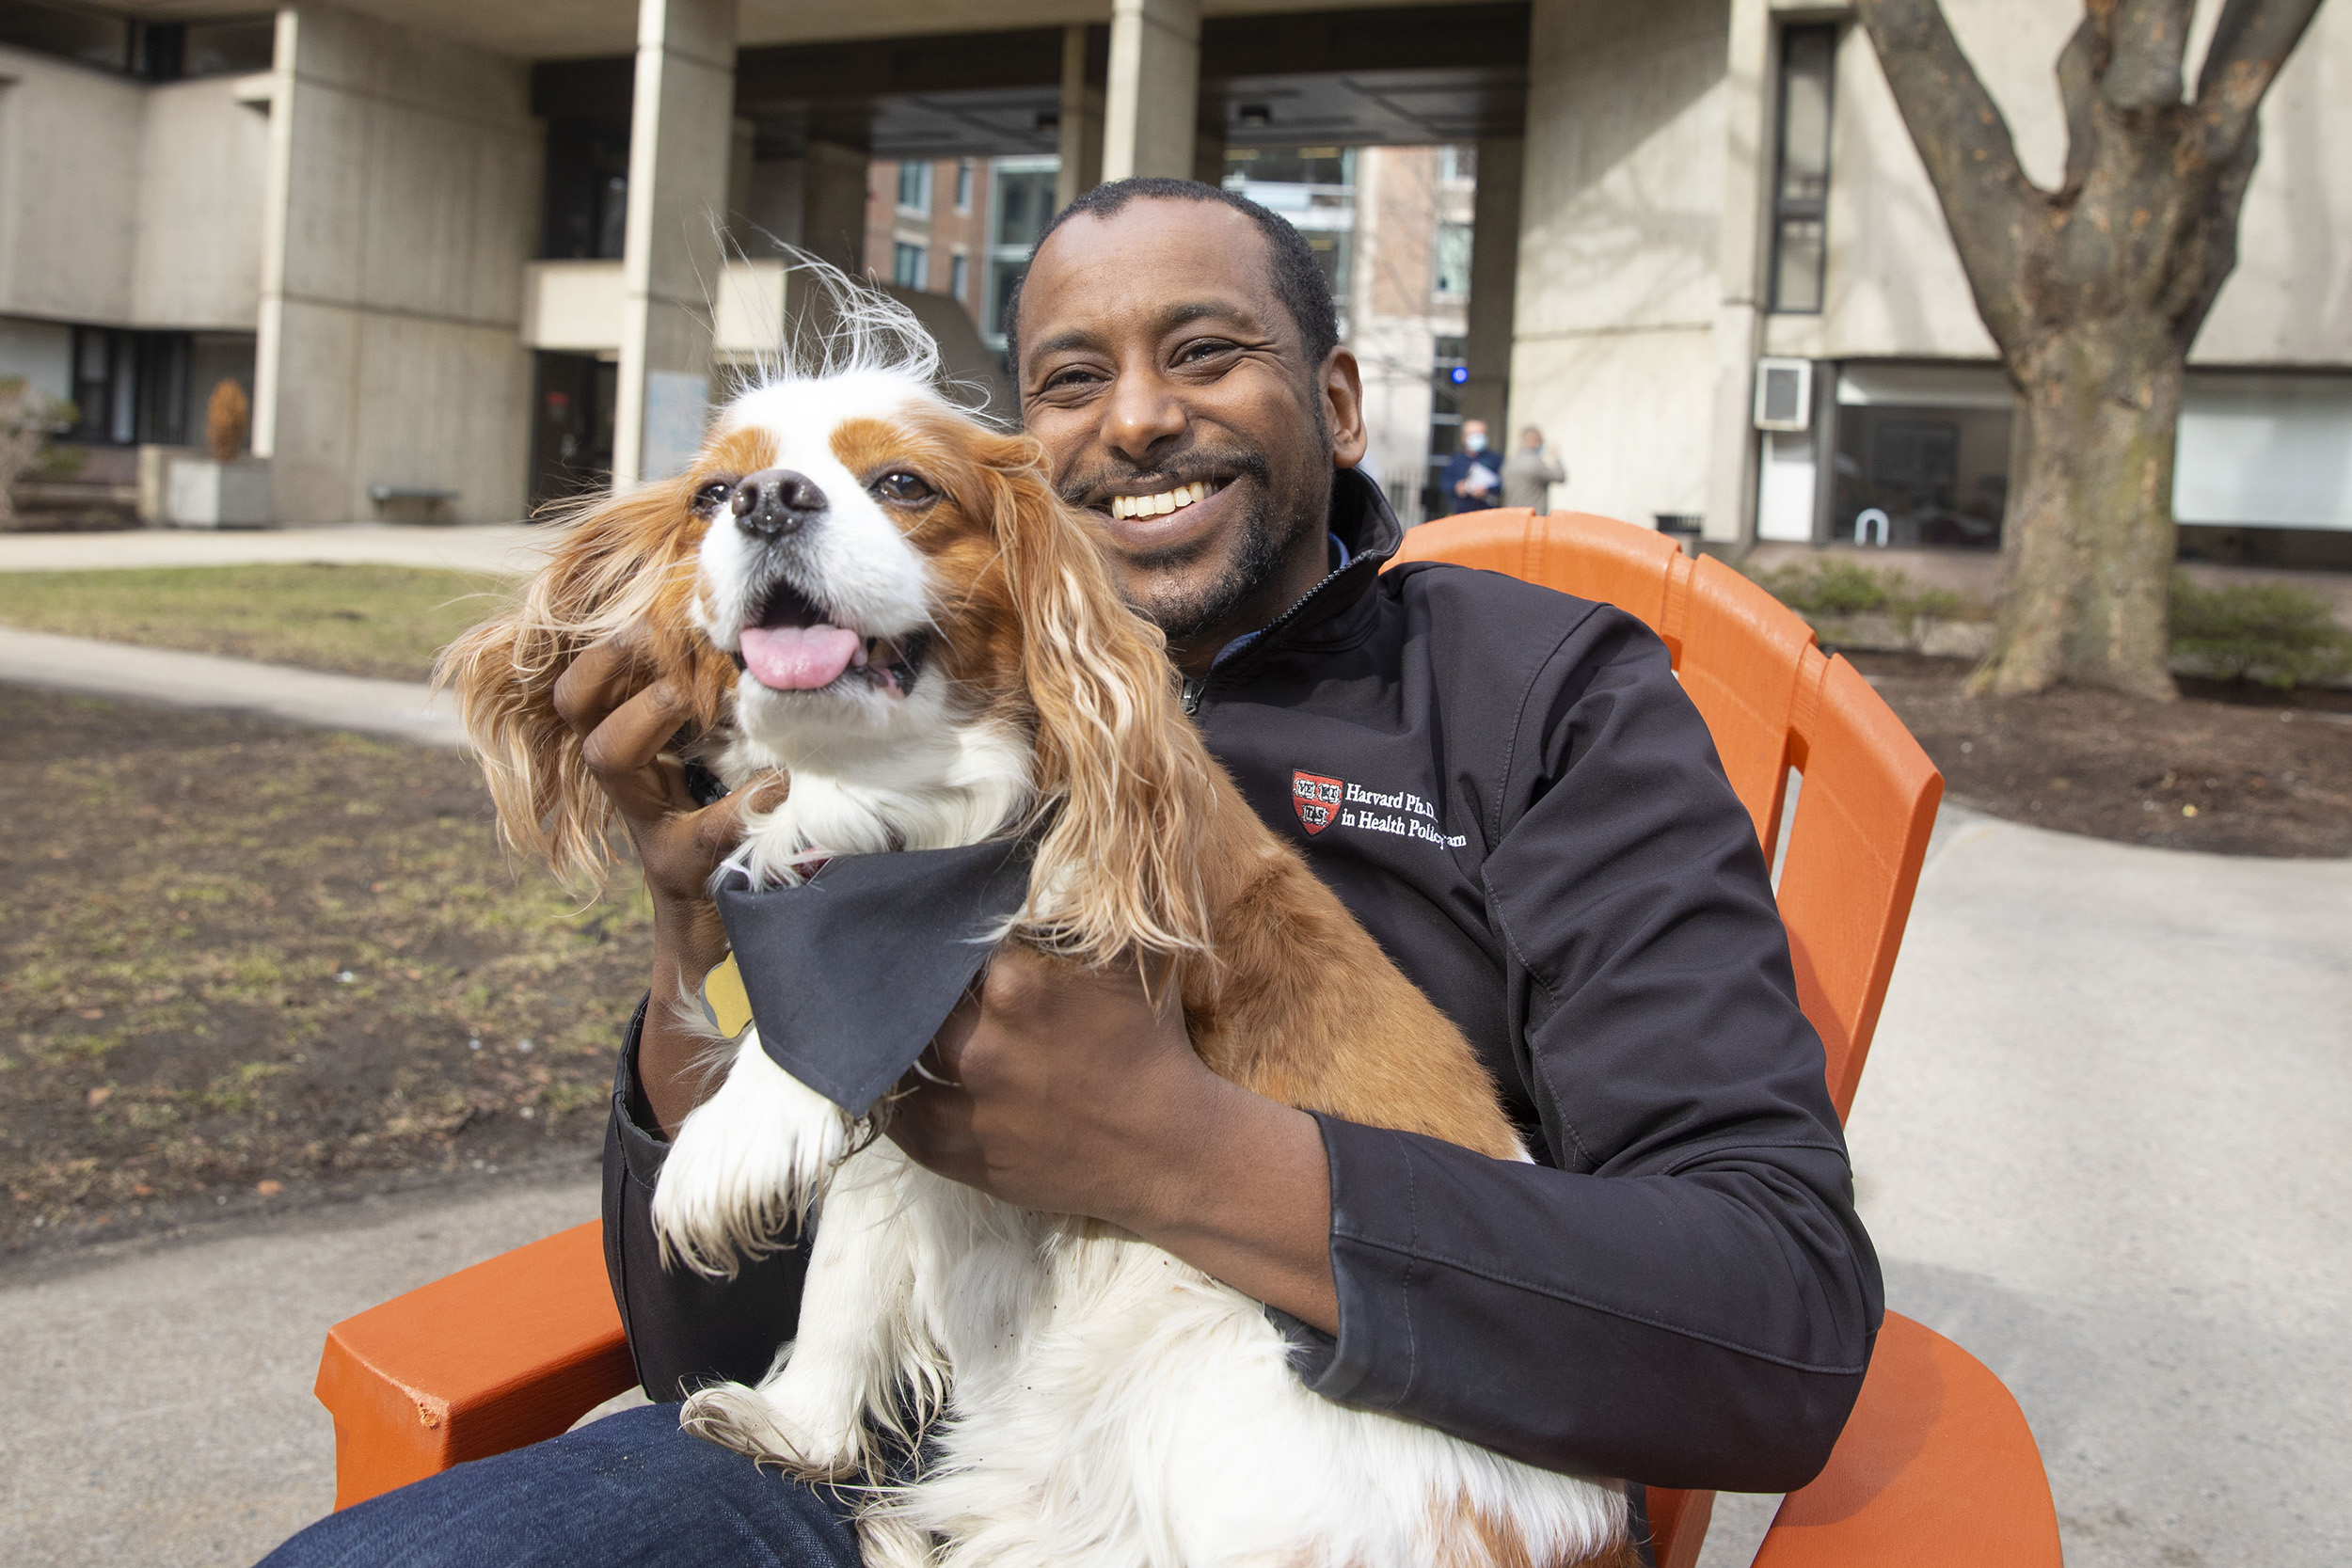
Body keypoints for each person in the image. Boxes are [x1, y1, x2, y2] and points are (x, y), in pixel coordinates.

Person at [262, 178, 1878, 1567]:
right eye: (1067, 378)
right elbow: (705, 1341)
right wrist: (703, 941)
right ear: (1019, 461)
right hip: (905, 1457)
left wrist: (1183, 1151)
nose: (1135, 417)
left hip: (1318, 1443)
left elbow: (1775, 1318)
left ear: (1336, 402)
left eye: (1205, 353)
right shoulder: (871, 711)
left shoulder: (1540, 691)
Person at [1438, 418, 1503, 515]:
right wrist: (1457, 488)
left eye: (1480, 434)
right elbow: (1444, 484)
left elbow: (1503, 485)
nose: (1477, 437)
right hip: (1461, 512)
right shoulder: (1456, 460)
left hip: (1487, 513)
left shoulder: (1495, 459)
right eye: (1473, 434)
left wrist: (1486, 490)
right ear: (1464, 437)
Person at [1502, 424, 1567, 512]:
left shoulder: (1509, 463)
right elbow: (1560, 477)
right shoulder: (1535, 463)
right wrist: (1556, 458)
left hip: (1514, 515)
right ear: (1536, 442)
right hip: (1533, 516)